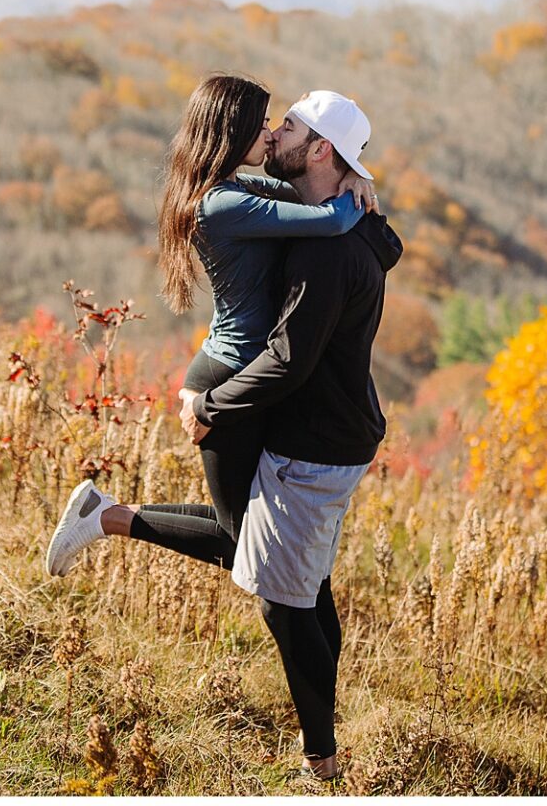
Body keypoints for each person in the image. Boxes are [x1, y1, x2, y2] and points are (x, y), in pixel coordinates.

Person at [46, 90, 403, 784]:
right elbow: (334, 224)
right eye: (268, 123)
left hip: (253, 390)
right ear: (237, 133)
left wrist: (361, 184)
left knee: (267, 553)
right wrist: (354, 188)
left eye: (287, 125)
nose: (274, 133)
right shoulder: (229, 200)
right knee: (260, 556)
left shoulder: (252, 185)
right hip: (232, 388)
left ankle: (107, 516)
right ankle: (320, 758)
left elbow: (370, 241)